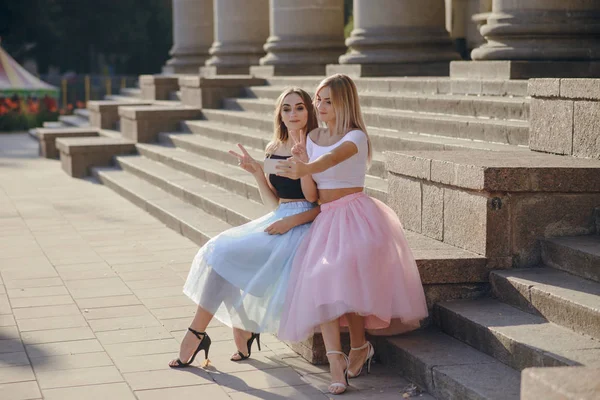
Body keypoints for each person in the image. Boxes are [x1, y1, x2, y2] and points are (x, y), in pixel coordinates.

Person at [276, 74, 428, 395]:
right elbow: (313, 193)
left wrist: (307, 165)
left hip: (356, 216)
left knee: (341, 279)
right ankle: (337, 363)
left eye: (328, 100)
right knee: (327, 285)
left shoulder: (356, 137)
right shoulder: (313, 135)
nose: (321, 105)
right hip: (327, 219)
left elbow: (333, 158)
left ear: (345, 102)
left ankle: (359, 347)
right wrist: (303, 163)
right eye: (319, 99)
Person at [168, 88, 320, 368]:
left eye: (299, 108)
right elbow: (274, 204)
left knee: (228, 258)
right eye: (286, 109)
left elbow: (319, 203)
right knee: (219, 252)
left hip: (304, 224)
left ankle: (208, 332)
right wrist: (257, 173)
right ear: (279, 115)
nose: (293, 114)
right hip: (279, 217)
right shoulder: (273, 148)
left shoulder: (318, 146)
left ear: (310, 111)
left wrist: (290, 220)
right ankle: (227, 329)